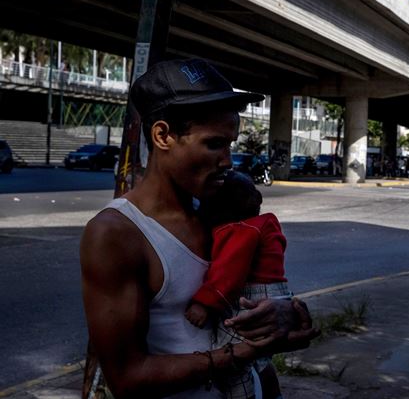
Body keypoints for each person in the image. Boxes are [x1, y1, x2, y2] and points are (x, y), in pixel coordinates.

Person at [80, 58, 319, 399]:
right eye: (214, 144)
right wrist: (242, 352)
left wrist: (285, 314)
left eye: (231, 144)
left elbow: (251, 297)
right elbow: (127, 378)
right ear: (163, 135)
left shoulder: (219, 212)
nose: (228, 160)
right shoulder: (117, 234)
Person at [185, 171, 291, 399]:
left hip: (251, 297)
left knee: (230, 363)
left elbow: (228, 274)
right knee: (259, 359)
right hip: (273, 295)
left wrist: (204, 303)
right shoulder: (262, 225)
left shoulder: (240, 231)